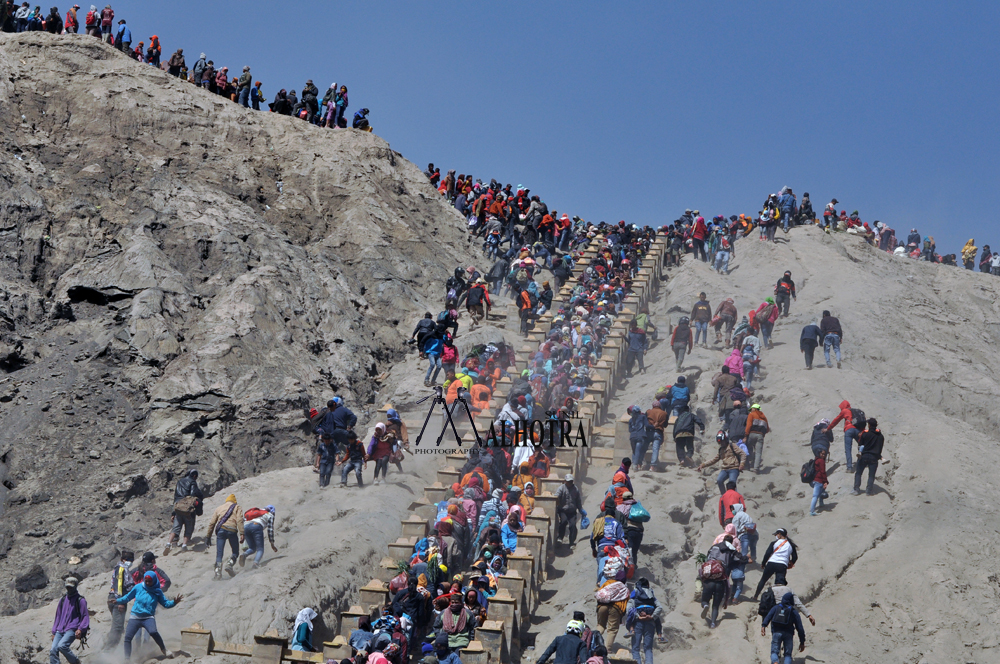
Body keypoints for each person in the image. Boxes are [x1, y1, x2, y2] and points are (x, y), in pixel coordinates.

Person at [116, 570, 182, 661]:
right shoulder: (138, 587)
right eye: (146, 581)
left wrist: (174, 602)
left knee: (153, 632)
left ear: (154, 580)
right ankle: (127, 659)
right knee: (128, 637)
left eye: (149, 581)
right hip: (135, 616)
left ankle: (164, 650)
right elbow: (127, 597)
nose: (147, 583)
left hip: (148, 617)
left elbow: (165, 604)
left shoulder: (157, 591)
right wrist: (117, 601)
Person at [164, 468, 203, 555]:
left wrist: (173, 513)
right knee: (189, 528)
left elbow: (175, 497)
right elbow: (193, 494)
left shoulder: (179, 481)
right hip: (187, 508)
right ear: (194, 476)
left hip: (178, 507)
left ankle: (168, 544)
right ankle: (184, 545)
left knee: (175, 528)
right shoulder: (192, 482)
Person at [50, 576, 89, 664]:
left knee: (62, 646)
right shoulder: (63, 600)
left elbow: (85, 616)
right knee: (53, 650)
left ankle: (75, 662)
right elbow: (58, 616)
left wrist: (80, 629)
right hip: (60, 630)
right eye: (67, 587)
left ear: (75, 586)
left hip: (72, 629)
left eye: (71, 587)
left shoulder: (80, 600)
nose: (69, 589)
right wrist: (54, 632)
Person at [206, 493, 244, 579]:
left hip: (221, 530)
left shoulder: (219, 508)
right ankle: (229, 564)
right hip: (232, 530)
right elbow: (239, 520)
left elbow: (212, 523)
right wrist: (242, 533)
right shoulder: (237, 507)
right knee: (235, 551)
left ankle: (217, 573)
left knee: (219, 553)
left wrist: (208, 536)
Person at [101, 550, 134, 651]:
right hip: (117, 600)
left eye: (131, 560)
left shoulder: (118, 568)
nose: (129, 561)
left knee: (117, 626)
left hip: (114, 598)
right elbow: (119, 585)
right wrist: (120, 601)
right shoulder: (121, 568)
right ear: (122, 559)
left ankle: (108, 647)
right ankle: (108, 651)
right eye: (127, 559)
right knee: (117, 628)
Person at [752, 528, 798, 600]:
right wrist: (790, 564)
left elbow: (767, 554)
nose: (776, 536)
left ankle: (755, 596)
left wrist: (763, 563)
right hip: (782, 565)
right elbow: (795, 557)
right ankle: (778, 599)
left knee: (763, 580)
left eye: (776, 534)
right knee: (780, 584)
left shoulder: (774, 543)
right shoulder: (791, 545)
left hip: (771, 563)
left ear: (779, 534)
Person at [761, 592, 806, 664]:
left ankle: (775, 662)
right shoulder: (793, 611)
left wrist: (763, 626)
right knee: (787, 655)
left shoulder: (776, 607)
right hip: (788, 634)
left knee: (774, 652)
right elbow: (799, 627)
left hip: (776, 632)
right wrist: (802, 641)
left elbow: (768, 617)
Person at [698, 429, 746, 495]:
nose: (721, 444)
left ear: (726, 439)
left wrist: (742, 464)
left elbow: (742, 453)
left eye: (722, 442)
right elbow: (714, 460)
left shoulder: (732, 446)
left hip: (734, 468)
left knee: (732, 483)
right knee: (719, 480)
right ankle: (724, 496)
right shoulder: (721, 450)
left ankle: (734, 497)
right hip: (725, 469)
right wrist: (703, 465)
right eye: (720, 442)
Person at [627, 579, 663, 662]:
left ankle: (630, 630)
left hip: (637, 623)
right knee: (648, 649)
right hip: (650, 623)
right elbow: (659, 607)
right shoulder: (651, 595)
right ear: (647, 585)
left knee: (635, 648)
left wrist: (637, 616)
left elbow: (629, 608)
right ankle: (660, 635)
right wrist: (652, 616)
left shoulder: (635, 593)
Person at [826, 400, 862, 472]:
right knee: (861, 445)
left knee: (848, 449)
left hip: (849, 430)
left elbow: (836, 420)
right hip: (858, 430)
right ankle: (860, 463)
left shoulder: (845, 411)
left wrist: (828, 428)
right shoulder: (854, 411)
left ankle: (849, 468)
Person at [853, 418, 884, 496]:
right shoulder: (881, 436)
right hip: (874, 457)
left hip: (864, 456)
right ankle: (869, 491)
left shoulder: (865, 434)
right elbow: (880, 448)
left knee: (858, 473)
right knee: (871, 475)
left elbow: (860, 445)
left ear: (869, 425)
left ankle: (856, 490)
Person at [554, 473, 583, 544]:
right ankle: (560, 537)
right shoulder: (562, 488)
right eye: (568, 481)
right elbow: (556, 496)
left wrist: (580, 509)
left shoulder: (575, 489)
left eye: (571, 481)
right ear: (565, 481)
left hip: (572, 511)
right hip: (563, 510)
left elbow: (578, 500)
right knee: (563, 521)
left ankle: (571, 541)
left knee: (572, 525)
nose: (569, 483)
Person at [744, 403, 770, 472]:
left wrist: (746, 434)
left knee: (746, 447)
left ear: (754, 409)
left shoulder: (751, 415)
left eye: (751, 409)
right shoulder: (764, 418)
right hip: (760, 435)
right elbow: (767, 429)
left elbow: (749, 425)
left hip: (752, 434)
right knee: (758, 452)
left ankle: (747, 464)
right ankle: (756, 468)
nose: (751, 410)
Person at [809, 449, 828, 516]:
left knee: (821, 491)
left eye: (824, 454)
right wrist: (825, 481)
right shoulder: (821, 461)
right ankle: (812, 511)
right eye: (822, 454)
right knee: (815, 496)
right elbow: (823, 472)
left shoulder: (816, 460)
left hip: (813, 480)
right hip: (818, 480)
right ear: (819, 453)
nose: (823, 455)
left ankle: (821, 503)